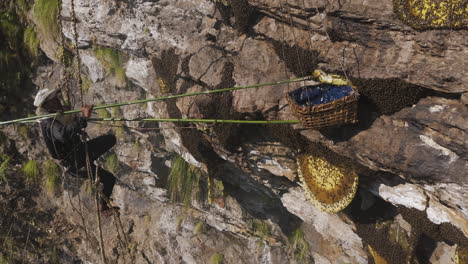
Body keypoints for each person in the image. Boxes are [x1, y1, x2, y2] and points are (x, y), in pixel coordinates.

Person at [34, 88, 118, 216]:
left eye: (57, 97)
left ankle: (102, 207)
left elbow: (65, 134)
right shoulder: (48, 122)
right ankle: (102, 207)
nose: (58, 100)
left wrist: (78, 128)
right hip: (75, 161)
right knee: (108, 177)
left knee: (109, 176)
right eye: (54, 99)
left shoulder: (55, 117)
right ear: (47, 105)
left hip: (78, 154)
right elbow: (62, 135)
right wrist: (83, 118)